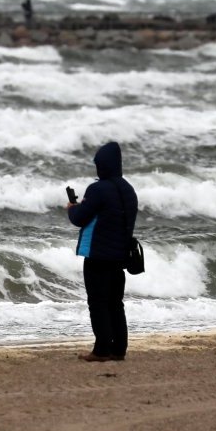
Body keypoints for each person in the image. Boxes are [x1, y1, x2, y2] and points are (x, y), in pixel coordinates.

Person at [66, 141, 138, 362]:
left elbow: (80, 218)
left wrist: (72, 208)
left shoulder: (98, 189)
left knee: (97, 302)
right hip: (119, 255)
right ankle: (119, 349)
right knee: (115, 302)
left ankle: (101, 350)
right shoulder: (128, 189)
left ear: (102, 165)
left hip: (98, 255)